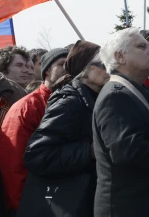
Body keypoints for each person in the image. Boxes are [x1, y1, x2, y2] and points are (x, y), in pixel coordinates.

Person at [93, 28, 149, 217]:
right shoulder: (115, 96)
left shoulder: (131, 91)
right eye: (142, 46)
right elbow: (129, 152)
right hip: (129, 208)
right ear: (120, 56)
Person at [21, 41, 109, 217]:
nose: (109, 68)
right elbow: (37, 154)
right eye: (102, 63)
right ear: (84, 69)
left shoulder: (97, 97)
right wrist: (90, 150)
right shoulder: (70, 101)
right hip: (67, 203)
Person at [0, 46, 69, 213]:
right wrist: (25, 206)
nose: (68, 70)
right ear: (47, 70)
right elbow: (12, 163)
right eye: (62, 64)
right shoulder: (27, 107)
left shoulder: (75, 101)